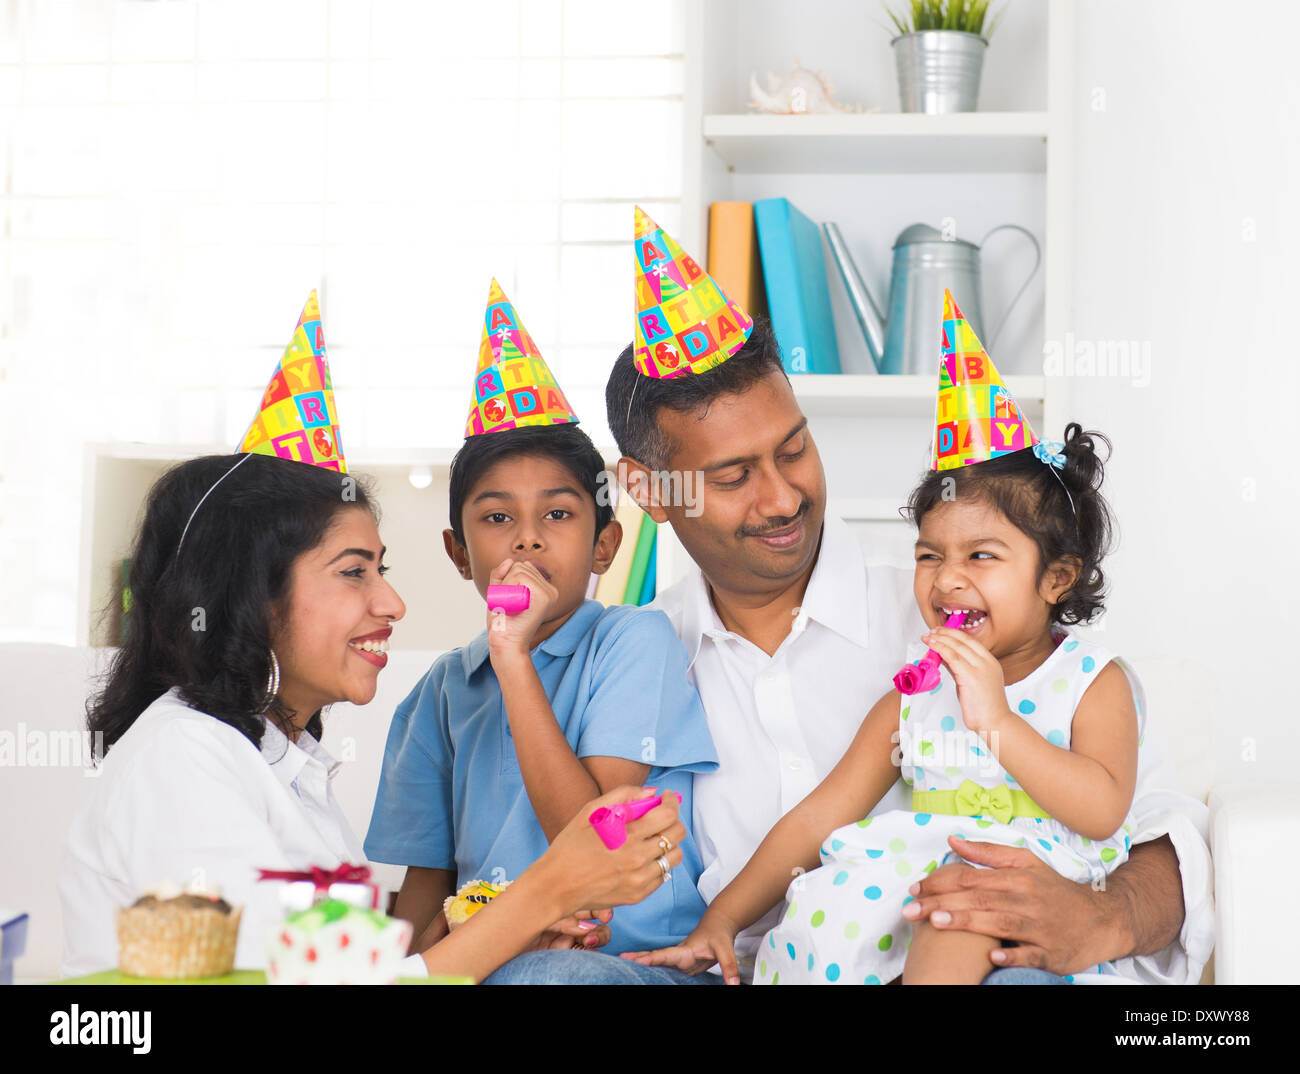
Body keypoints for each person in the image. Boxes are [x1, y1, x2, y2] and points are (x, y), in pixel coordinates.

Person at [59, 294, 686, 984]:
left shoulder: (291, 771)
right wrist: (544, 898)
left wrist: (499, 926)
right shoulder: (183, 757)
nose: (392, 602)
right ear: (250, 593)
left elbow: (381, 965)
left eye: (379, 569)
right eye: (354, 572)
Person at [604, 307, 1212, 984]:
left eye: (794, 449)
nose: (781, 498)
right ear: (648, 490)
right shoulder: (639, 656)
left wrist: (1107, 914)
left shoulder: (1030, 649)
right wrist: (715, 925)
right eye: (733, 477)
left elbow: (1141, 816)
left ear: (1056, 578)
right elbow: (818, 817)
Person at [363, 282, 718, 967]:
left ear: (605, 546)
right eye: (497, 519)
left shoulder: (632, 642)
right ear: (459, 553)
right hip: (500, 958)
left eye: (558, 514)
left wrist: (514, 662)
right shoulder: (443, 690)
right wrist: (395, 976)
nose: (526, 541)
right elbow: (427, 886)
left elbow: (596, 841)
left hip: (632, 967)